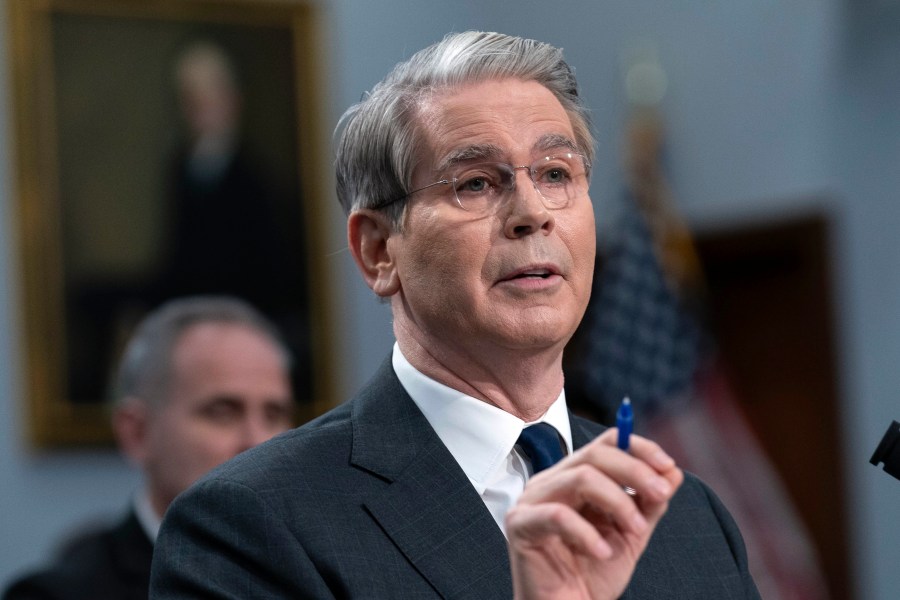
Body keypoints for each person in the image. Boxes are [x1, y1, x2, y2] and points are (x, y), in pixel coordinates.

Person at [150, 32, 761, 599]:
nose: (533, 212)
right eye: (475, 183)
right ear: (379, 251)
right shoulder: (251, 524)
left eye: (556, 173)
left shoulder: (691, 519)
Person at [3, 296, 295, 600]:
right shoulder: (56, 595)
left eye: (274, 415)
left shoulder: (312, 571)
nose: (258, 441)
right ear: (138, 433)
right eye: (222, 412)